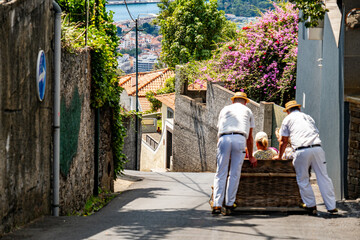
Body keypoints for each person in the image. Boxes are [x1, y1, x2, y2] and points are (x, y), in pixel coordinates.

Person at [273, 100, 337, 215]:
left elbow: (283, 141)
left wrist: (279, 156)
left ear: (287, 111)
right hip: (317, 147)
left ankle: (311, 205)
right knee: (323, 177)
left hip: (301, 150)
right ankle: (331, 206)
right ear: (299, 109)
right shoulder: (308, 117)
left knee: (302, 178)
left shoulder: (287, 119)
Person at [211, 92, 257, 216]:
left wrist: (220, 150)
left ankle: (217, 204)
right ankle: (230, 204)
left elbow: (219, 130)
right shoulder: (248, 111)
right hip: (240, 138)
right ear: (245, 102)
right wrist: (251, 156)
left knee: (220, 172)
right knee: (234, 173)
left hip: (223, 138)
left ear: (233, 101)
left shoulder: (225, 110)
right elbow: (250, 137)